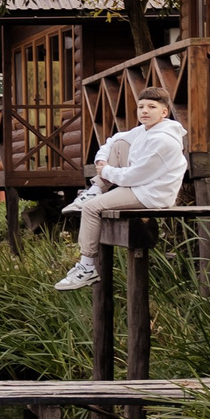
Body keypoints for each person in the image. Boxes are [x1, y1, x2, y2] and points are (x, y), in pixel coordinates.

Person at [52, 86, 186, 291]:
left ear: (164, 112)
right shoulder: (144, 130)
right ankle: (96, 189)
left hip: (151, 193)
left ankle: (87, 267)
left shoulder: (163, 141)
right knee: (121, 144)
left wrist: (106, 172)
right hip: (140, 184)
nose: (145, 111)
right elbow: (113, 140)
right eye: (141, 107)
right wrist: (102, 160)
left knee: (90, 208)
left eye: (152, 107)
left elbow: (134, 176)